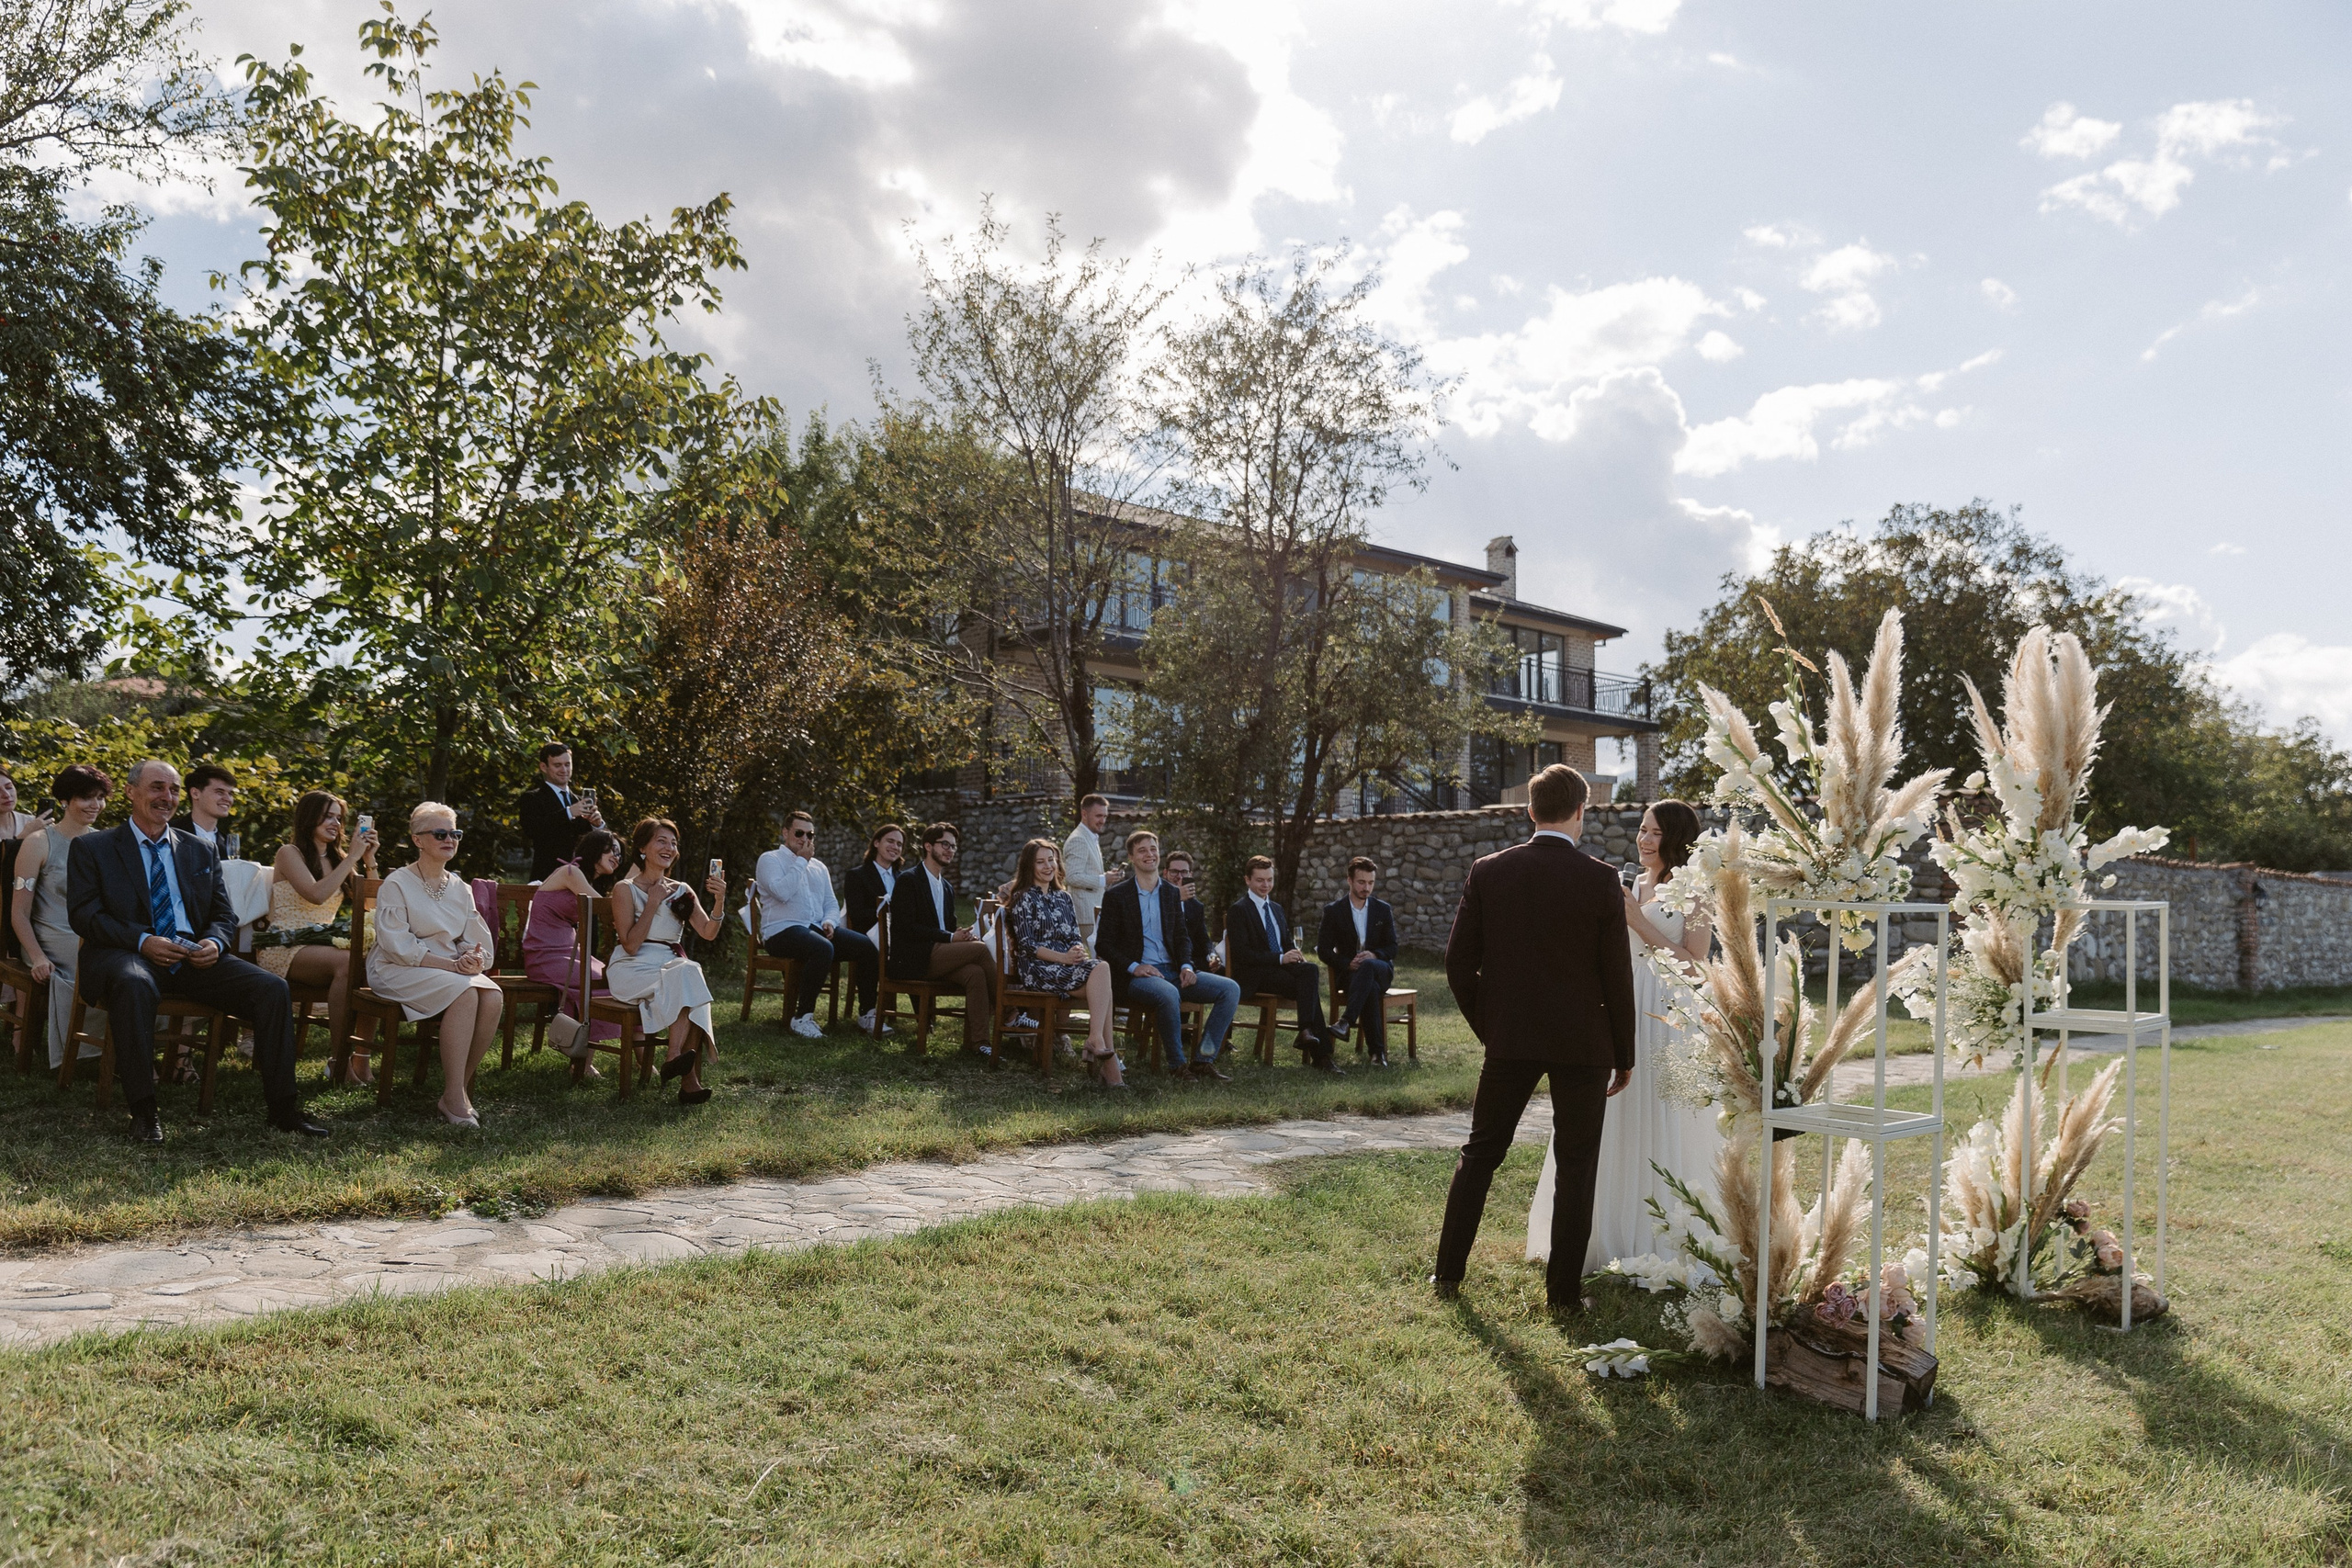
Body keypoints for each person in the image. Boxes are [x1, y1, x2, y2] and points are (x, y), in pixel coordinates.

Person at [1430, 764, 1635, 1313]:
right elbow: (1616, 973)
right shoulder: (1599, 878)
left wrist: (1489, 1025)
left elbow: (1457, 963)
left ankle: (1446, 1276)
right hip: (1584, 1042)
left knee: (1479, 1154)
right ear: (1579, 812)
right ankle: (1563, 1298)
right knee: (1576, 1165)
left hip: (1511, 1039)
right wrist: (1625, 1052)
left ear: (1529, 809)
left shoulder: (1488, 870)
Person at [67, 758, 325, 1144]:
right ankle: (144, 1111)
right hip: (128, 953)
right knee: (134, 984)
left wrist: (215, 941)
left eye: (172, 790)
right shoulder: (94, 847)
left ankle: (284, 1110)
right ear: (130, 792)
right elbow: (85, 915)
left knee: (272, 988)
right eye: (157, 788)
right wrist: (143, 941)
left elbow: (223, 913)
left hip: (194, 956)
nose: (166, 797)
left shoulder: (198, 850)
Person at [1528, 801, 1720, 1273]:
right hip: (1627, 1001)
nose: (1644, 839)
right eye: (1642, 830)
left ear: (1676, 839)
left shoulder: (1696, 892)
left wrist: (1636, 919)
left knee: (1661, 1113)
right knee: (1615, 1113)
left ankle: (1662, 1234)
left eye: (1655, 833)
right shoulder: (1637, 883)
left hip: (1669, 1011)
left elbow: (1696, 965)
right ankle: (1604, 1228)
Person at [364, 803, 504, 1127]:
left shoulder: (460, 888)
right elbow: (397, 946)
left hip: (446, 968)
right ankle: (455, 1096)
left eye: (454, 833)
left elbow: (474, 939)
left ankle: (456, 1091)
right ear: (417, 840)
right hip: (396, 967)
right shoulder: (397, 883)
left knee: (493, 995)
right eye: (439, 833)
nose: (449, 839)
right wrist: (452, 966)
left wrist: (472, 959)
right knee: (466, 994)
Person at [1097, 829, 1242, 1080]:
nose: (1149, 854)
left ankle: (1203, 1060)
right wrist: (1135, 967)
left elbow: (1181, 937)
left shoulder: (1171, 893)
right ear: (1132, 857)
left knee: (1230, 989)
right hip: (1136, 978)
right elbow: (1104, 945)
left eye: (1153, 849)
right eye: (1142, 850)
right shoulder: (1117, 896)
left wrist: (1186, 965)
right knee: (1168, 993)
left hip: (1174, 971)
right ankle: (1177, 1066)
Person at [257, 790, 379, 1083]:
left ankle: (360, 1061)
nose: (336, 824)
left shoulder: (339, 858)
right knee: (349, 964)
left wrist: (369, 860)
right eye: (327, 816)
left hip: (322, 943)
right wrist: (351, 858)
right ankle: (339, 1063)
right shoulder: (290, 853)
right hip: (284, 942)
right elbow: (315, 895)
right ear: (308, 817)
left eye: (339, 818)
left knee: (374, 965)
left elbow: (372, 904)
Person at [605, 817, 725, 1105]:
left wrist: (719, 901)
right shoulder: (625, 889)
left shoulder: (682, 890)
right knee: (689, 975)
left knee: (688, 974)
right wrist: (654, 901)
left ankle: (682, 1071)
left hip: (670, 967)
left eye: (673, 843)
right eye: (661, 841)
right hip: (631, 968)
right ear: (643, 848)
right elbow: (631, 945)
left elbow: (708, 932)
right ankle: (680, 1066)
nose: (669, 848)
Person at [10, 763, 111, 1070]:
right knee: (96, 966)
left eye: (100, 797)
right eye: (86, 797)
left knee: (127, 962)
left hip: (91, 931)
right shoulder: (39, 842)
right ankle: (89, 1053)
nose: (95, 805)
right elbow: (18, 912)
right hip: (50, 936)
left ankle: (119, 1047)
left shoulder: (104, 842)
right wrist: (37, 957)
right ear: (65, 800)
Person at [1005, 839, 1125, 1087]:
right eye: (1040, 862)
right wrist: (1063, 958)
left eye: (1051, 860)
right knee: (1102, 972)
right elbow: (1027, 945)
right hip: (1038, 970)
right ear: (1029, 866)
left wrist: (1077, 951)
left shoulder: (1064, 897)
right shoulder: (1023, 898)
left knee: (1102, 982)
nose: (1048, 866)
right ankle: (1104, 1055)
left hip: (1066, 968)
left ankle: (1103, 1055)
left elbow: (1072, 936)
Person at [755, 812, 882, 1037]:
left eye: (810, 834)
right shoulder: (770, 859)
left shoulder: (819, 867)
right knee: (823, 948)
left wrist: (829, 922)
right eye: (799, 833)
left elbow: (831, 902)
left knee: (867, 946)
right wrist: (802, 861)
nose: (805, 839)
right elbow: (782, 892)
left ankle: (867, 1014)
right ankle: (802, 1017)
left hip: (814, 928)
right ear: (785, 833)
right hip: (780, 931)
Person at [884, 822, 999, 1055]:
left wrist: (961, 935)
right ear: (928, 846)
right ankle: (1011, 1011)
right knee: (980, 950)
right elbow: (906, 928)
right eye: (945, 844)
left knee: (975, 973)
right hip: (913, 958)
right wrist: (949, 937)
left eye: (954, 847)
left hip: (938, 956)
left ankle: (979, 1044)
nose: (950, 850)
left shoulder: (946, 887)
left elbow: (947, 926)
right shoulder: (909, 880)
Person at [1225, 855, 1340, 1073]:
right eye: (1260, 880)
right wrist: (1280, 958)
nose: (1266, 885)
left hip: (1280, 973)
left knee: (1309, 970)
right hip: (1255, 976)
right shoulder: (1239, 910)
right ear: (1247, 880)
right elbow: (1242, 955)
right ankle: (1320, 1054)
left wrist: (1295, 955)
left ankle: (1307, 1033)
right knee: (1309, 982)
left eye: (1269, 880)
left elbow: (1286, 943)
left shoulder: (1276, 909)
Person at [523, 826, 623, 1076]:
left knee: (617, 976)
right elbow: (602, 907)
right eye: (612, 850)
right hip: (544, 954)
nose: (617, 857)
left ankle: (630, 1056)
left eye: (620, 853)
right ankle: (582, 1063)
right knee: (598, 980)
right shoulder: (571, 871)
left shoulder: (585, 879)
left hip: (568, 953)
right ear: (595, 849)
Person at [1318, 856, 1401, 1068]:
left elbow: (1392, 947)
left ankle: (1346, 1021)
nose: (1367, 888)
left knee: (1370, 967)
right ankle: (1377, 1054)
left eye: (1371, 883)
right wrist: (1347, 964)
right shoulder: (1334, 911)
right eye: (1361, 882)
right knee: (1370, 988)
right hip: (1351, 975)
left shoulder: (1382, 909)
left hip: (1380, 969)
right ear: (1349, 880)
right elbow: (1324, 951)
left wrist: (1374, 955)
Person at [518, 743, 603, 881]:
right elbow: (533, 830)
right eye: (557, 765)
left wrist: (597, 825)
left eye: (567, 764)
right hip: (547, 876)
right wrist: (568, 813)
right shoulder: (532, 798)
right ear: (543, 767)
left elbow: (594, 845)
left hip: (580, 878)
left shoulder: (580, 801)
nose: (564, 770)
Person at [1061, 794, 1114, 952]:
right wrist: (1103, 880)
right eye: (1098, 816)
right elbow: (1072, 877)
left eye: (1105, 816)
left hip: (1093, 911)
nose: (1102, 820)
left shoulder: (1089, 836)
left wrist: (1107, 879)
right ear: (1084, 814)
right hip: (1085, 914)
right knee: (1098, 956)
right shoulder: (1078, 839)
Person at [843, 824, 907, 940]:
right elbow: (857, 915)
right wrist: (887, 914)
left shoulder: (905, 879)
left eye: (899, 844)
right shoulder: (857, 876)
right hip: (870, 938)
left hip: (903, 937)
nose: (895, 847)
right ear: (876, 843)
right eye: (890, 841)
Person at [171, 763, 237, 853]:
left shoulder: (228, 845)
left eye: (230, 794)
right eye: (219, 792)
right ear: (195, 793)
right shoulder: (170, 834)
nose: (228, 799)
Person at [1164, 850, 1214, 966]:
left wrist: (1211, 955)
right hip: (1167, 961)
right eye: (1174, 872)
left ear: (1190, 874)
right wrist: (1177, 897)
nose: (1179, 877)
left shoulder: (1195, 906)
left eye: (1184, 872)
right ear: (1165, 873)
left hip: (1191, 962)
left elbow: (1204, 939)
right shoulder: (1158, 900)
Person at [0, 765, 40, 839]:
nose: (7, 795)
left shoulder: (31, 823)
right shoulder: (30, 829)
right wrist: (23, 838)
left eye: (9, 787)